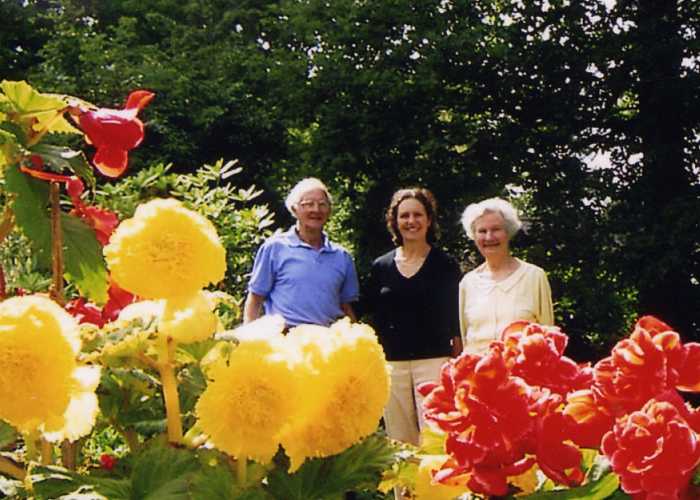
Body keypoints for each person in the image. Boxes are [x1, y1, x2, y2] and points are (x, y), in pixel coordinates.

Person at [364, 188, 462, 447]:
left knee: (437, 438)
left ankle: (439, 489)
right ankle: (406, 490)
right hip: (392, 366)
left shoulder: (445, 264)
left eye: (418, 214)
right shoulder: (381, 267)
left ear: (429, 220)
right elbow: (372, 315)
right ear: (395, 222)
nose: (411, 221)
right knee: (400, 443)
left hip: (435, 361)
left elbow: (457, 317)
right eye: (404, 215)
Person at [243, 178, 359, 327]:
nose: (316, 210)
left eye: (322, 204)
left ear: (329, 210)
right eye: (308, 204)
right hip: (284, 341)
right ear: (294, 209)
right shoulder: (275, 248)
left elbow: (346, 306)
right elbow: (255, 298)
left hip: (328, 343)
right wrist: (247, 338)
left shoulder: (342, 257)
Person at [459, 197, 553, 354]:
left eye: (496, 229)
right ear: (474, 236)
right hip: (481, 374)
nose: (489, 237)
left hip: (522, 374)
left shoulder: (534, 276)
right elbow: (465, 338)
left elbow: (549, 336)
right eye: (482, 231)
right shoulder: (467, 283)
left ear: (508, 232)